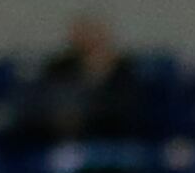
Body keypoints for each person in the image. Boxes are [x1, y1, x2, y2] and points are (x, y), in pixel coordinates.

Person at [14, 16, 153, 147]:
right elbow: (40, 104)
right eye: (84, 36)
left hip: (113, 140)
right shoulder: (58, 69)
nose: (90, 42)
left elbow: (129, 112)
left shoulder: (125, 71)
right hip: (60, 140)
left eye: (95, 36)